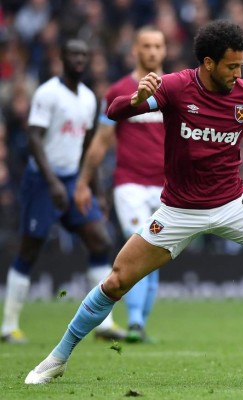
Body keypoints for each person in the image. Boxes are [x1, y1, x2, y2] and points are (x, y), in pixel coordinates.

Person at [24, 20, 243, 384]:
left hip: (232, 204)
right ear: (208, 63)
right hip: (178, 212)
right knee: (115, 282)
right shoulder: (175, 87)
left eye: (242, 65)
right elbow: (113, 112)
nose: (238, 74)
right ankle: (57, 358)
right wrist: (137, 99)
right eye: (231, 66)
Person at [0, 40, 126, 344]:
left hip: (74, 181)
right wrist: (53, 182)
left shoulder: (88, 98)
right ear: (61, 58)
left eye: (84, 54)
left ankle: (104, 323)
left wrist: (95, 190)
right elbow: (33, 137)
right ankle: (8, 326)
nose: (80, 59)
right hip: (43, 181)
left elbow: (88, 149)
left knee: (100, 240)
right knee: (30, 249)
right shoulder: (47, 93)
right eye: (74, 54)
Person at [74, 26, 167, 343]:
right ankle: (136, 323)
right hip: (129, 185)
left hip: (167, 188)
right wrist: (83, 182)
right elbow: (101, 142)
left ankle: (138, 323)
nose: (152, 52)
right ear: (135, 51)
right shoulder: (118, 91)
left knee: (156, 255)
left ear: (165, 51)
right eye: (146, 46)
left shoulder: (176, 89)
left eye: (158, 46)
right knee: (140, 247)